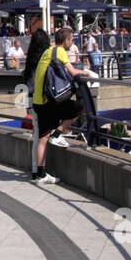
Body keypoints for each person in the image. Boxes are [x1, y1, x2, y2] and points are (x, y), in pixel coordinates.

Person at [30, 27, 91, 183]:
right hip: (49, 102)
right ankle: (58, 133)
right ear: (67, 40)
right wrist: (87, 73)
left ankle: (40, 174)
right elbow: (73, 72)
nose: (72, 42)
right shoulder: (60, 51)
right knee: (79, 107)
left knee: (42, 137)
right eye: (72, 39)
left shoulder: (48, 51)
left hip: (38, 101)